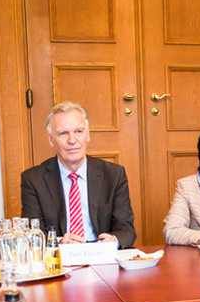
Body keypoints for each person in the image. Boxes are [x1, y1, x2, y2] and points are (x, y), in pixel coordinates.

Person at [20, 101, 137, 247]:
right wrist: (59, 243)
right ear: (51, 140)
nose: (72, 140)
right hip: (60, 261)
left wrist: (114, 240)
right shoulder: (33, 179)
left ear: (88, 135)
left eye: (78, 132)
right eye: (63, 133)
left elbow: (126, 230)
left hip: (102, 257)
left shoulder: (113, 175)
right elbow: (32, 234)